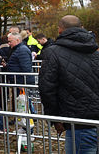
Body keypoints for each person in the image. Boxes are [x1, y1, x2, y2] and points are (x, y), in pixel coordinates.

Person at [39, 15, 99, 154]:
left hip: (78, 123)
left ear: (60, 30)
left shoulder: (52, 53)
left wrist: (55, 119)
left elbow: (47, 88)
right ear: (82, 28)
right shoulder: (95, 51)